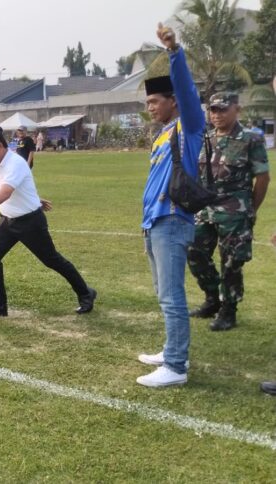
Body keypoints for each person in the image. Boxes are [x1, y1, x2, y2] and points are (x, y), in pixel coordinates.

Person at [0, 127, 96, 318]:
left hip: (29, 223)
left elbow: (6, 192)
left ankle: (86, 293)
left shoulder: (15, 163)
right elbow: (16, 187)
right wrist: (35, 198)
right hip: (8, 220)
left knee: (52, 260)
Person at [134, 24, 205, 387]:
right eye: (147, 103)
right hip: (155, 222)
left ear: (173, 100)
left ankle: (176, 366)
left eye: (155, 102)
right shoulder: (163, 134)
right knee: (164, 294)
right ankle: (171, 348)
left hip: (173, 221)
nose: (150, 108)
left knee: (173, 296)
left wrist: (174, 52)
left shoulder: (188, 127)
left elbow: (190, 94)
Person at [186, 93, 269, 331]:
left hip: (235, 211)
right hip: (206, 209)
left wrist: (250, 209)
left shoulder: (250, 139)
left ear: (237, 110)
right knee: (193, 251)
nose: (217, 115)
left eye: (223, 110)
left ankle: (228, 310)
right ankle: (212, 298)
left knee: (231, 262)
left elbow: (262, 178)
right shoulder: (206, 138)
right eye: (213, 110)